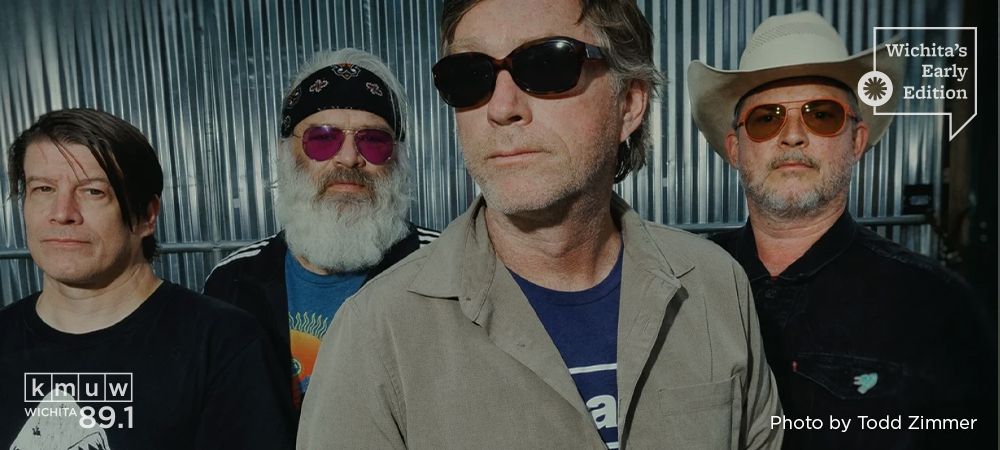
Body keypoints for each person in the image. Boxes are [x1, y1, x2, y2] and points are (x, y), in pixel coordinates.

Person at [297, 1, 782, 448]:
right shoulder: (376, 334)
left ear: (629, 103)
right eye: (471, 76)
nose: (501, 107)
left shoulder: (716, 288)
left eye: (547, 65)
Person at [688, 11, 996, 449]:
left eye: (821, 114)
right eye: (766, 119)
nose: (793, 135)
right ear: (735, 149)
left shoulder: (939, 308)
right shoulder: (684, 287)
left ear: (856, 140)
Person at [0, 108, 293, 449]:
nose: (62, 213)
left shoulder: (223, 344)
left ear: (147, 216)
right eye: (43, 189)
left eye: (93, 191)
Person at [203, 48, 438, 420]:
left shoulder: (443, 268)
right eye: (323, 139)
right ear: (286, 153)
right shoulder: (232, 281)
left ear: (397, 158)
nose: (349, 158)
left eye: (373, 141)